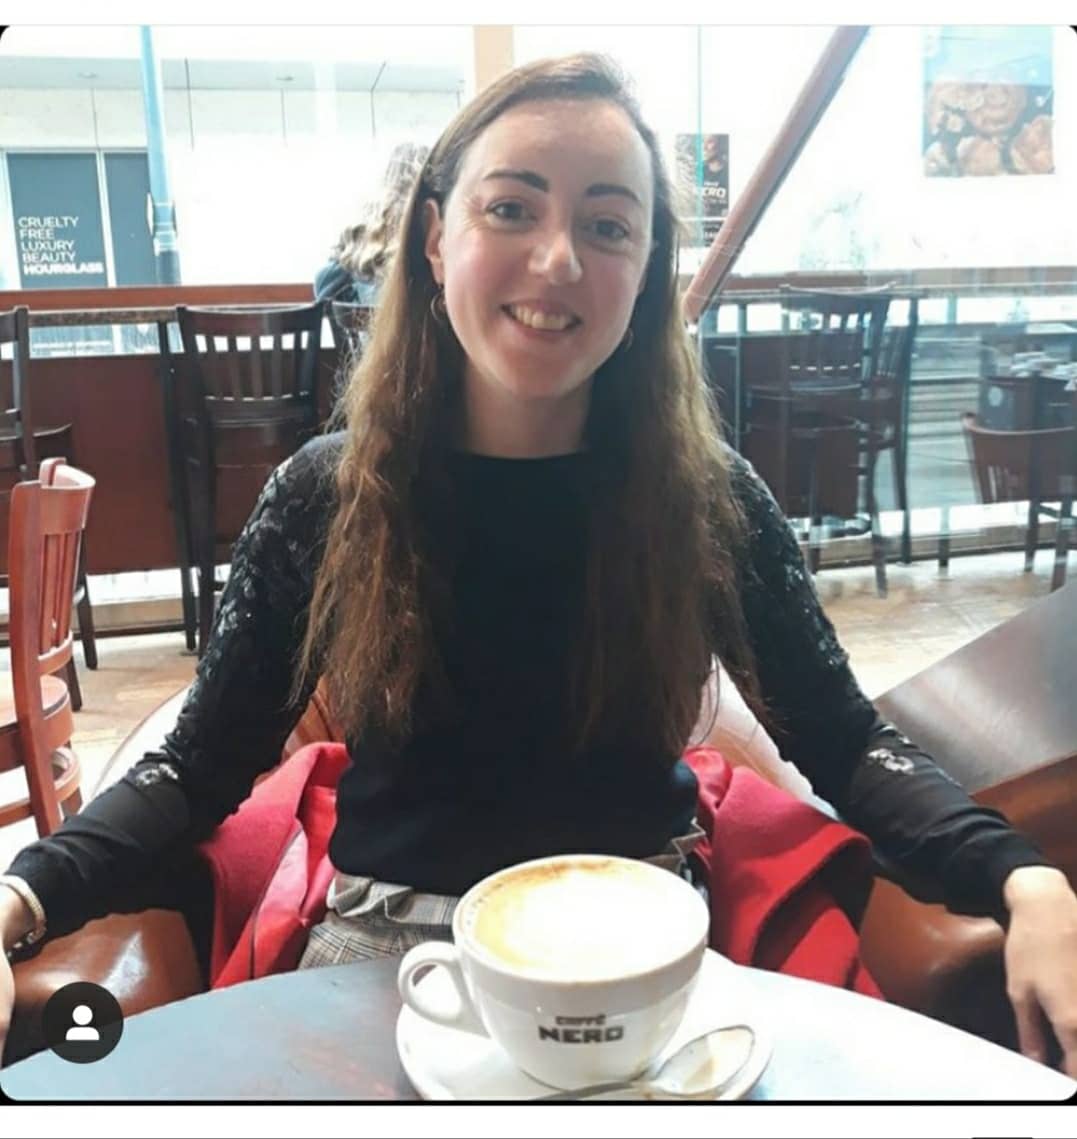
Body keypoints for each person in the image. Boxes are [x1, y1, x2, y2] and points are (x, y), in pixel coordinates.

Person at [2, 53, 1075, 1077]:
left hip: (648, 952)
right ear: (433, 238)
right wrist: (23, 896)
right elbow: (196, 766)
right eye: (511, 207)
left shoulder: (704, 498)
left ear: (650, 267)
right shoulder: (325, 498)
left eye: (608, 224)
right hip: (383, 961)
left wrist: (1025, 878)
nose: (558, 258)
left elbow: (843, 738)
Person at [313, 140, 431, 306]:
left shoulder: (363, 236)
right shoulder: (430, 227)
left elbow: (323, 284)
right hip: (423, 327)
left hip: (370, 330)